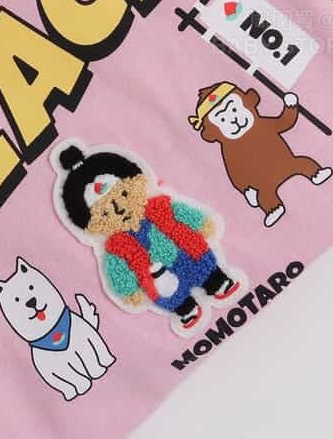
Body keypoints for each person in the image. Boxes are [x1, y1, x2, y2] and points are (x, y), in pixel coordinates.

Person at [54, 142, 240, 332]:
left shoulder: (159, 207)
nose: (119, 209)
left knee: (202, 267)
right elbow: (117, 269)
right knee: (168, 292)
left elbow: (181, 213)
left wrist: (201, 223)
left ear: (135, 183)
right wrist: (128, 290)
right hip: (156, 275)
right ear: (93, 224)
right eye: (104, 213)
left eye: (124, 194)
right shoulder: (117, 246)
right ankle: (185, 309)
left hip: (188, 252)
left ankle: (217, 281)